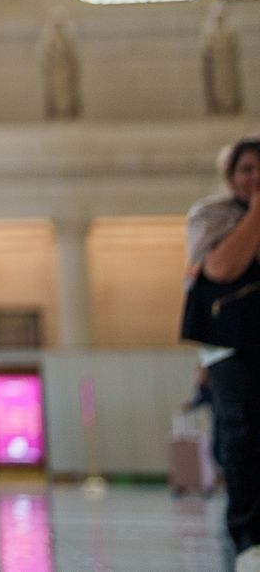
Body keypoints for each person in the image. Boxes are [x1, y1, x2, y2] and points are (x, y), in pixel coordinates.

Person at [187, 135, 260, 570]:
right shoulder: (211, 215)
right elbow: (221, 268)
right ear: (230, 175)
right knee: (243, 434)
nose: (254, 177)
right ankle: (249, 537)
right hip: (230, 347)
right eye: (246, 169)